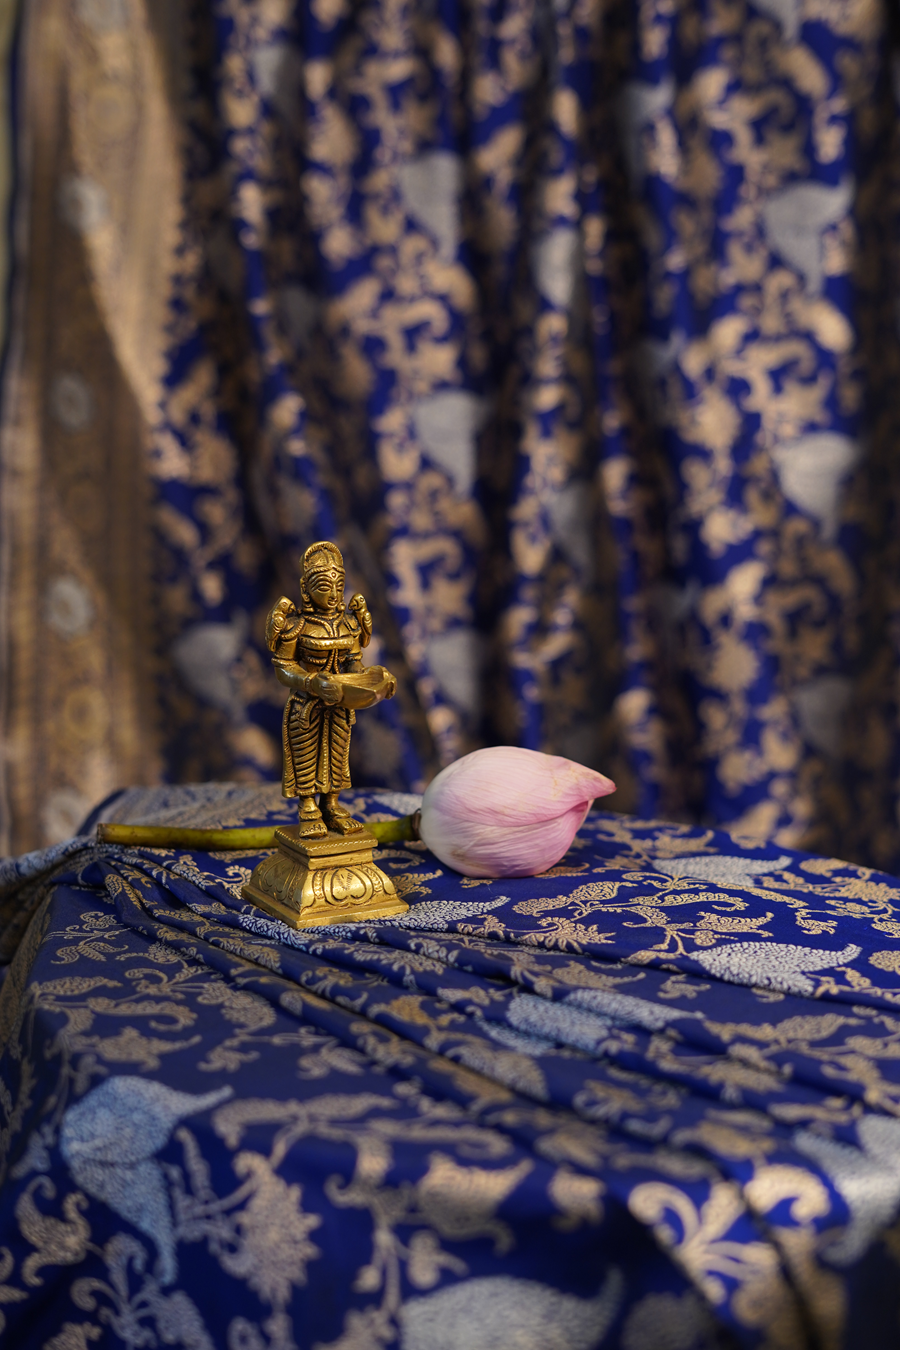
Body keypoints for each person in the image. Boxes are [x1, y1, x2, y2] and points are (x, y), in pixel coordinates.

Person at [264, 541, 396, 837]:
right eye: (324, 586)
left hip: (340, 704)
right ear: (306, 589)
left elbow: (353, 662)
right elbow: (283, 668)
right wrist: (311, 682)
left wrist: (371, 677)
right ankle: (308, 806)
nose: (334, 594)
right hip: (306, 705)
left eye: (339, 586)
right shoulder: (297, 626)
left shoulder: (349, 624)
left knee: (337, 753)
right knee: (306, 753)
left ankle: (332, 804)